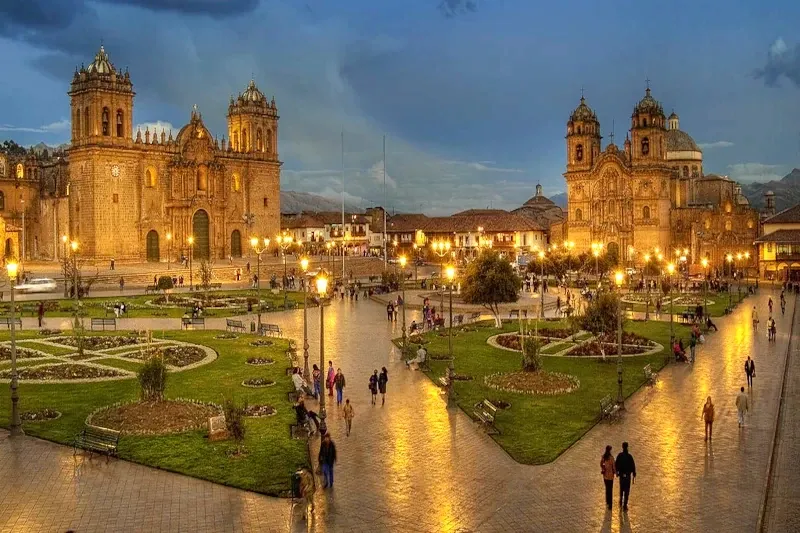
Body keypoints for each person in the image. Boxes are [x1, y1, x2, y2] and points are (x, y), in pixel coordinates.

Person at [615, 442, 636, 512]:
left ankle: (621, 501)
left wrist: (617, 472)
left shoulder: (620, 455)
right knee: (627, 490)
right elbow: (633, 466)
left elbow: (616, 464)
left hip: (621, 476)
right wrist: (634, 473)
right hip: (627, 476)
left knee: (621, 489)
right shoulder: (629, 456)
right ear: (627, 447)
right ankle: (625, 505)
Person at [600, 445, 616, 510]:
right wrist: (615, 472)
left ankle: (607, 501)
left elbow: (601, 464)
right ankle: (610, 504)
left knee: (607, 488)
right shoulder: (611, 458)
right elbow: (614, 467)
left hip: (605, 475)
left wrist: (603, 468)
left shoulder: (604, 457)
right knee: (610, 489)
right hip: (611, 476)